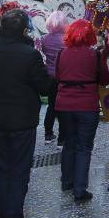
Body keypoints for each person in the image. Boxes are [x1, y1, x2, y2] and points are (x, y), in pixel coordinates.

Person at [0, 9, 53, 218]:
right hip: (20, 121)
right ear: (23, 29)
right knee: (18, 170)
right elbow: (44, 88)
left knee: (2, 168)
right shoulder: (28, 54)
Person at [54, 20, 109, 202]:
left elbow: (57, 76)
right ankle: (80, 190)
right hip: (87, 106)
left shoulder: (61, 53)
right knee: (84, 147)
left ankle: (67, 181)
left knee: (69, 143)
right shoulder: (94, 55)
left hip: (64, 105)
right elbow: (104, 79)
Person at [42, 11, 69, 144]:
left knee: (51, 105)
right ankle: (62, 139)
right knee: (63, 107)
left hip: (50, 76)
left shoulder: (45, 39)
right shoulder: (67, 39)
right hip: (64, 76)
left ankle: (48, 133)